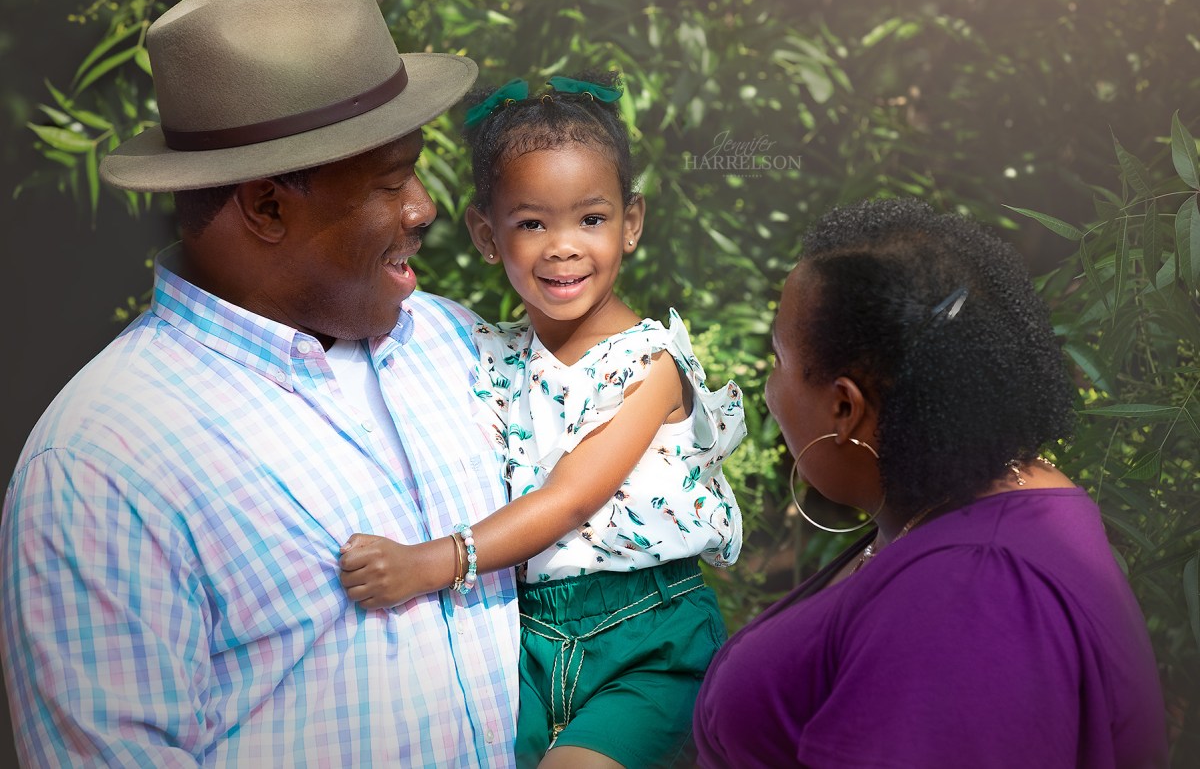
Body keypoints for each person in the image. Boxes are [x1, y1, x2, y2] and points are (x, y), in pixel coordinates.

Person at [0, 0, 521, 766]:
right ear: (268, 205)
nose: (425, 207)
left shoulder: (453, 345)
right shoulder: (104, 464)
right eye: (391, 182)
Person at [337, 72, 745, 769]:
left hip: (648, 635)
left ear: (632, 224)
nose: (563, 246)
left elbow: (571, 498)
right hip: (528, 637)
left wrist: (429, 563)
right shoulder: (490, 353)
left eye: (591, 219)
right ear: (485, 234)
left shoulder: (647, 364)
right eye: (532, 223)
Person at [693, 198, 1169, 768]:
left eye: (778, 360)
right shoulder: (959, 512)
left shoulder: (973, 596)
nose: (769, 390)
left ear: (844, 407)